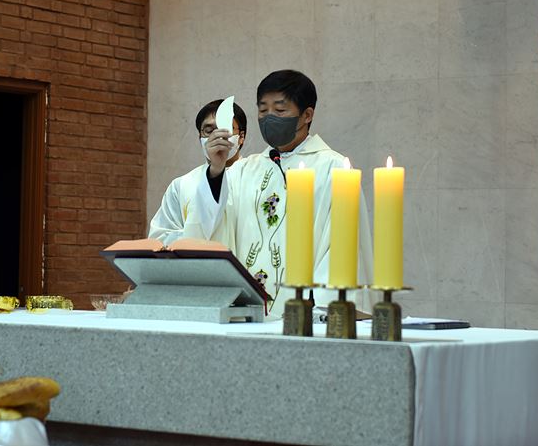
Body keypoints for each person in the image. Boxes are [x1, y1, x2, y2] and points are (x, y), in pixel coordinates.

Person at [187, 70, 373, 316]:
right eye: (263, 110)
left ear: (307, 115)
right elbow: (211, 226)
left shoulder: (334, 168)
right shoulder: (243, 170)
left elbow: (342, 247)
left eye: (280, 110)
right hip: (246, 313)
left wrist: (321, 310)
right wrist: (216, 170)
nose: (269, 117)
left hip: (303, 314)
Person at [147, 99, 247, 243]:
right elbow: (160, 239)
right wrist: (193, 236)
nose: (216, 137)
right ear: (200, 137)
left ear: (241, 137)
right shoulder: (181, 185)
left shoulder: (256, 177)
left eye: (224, 129)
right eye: (209, 131)